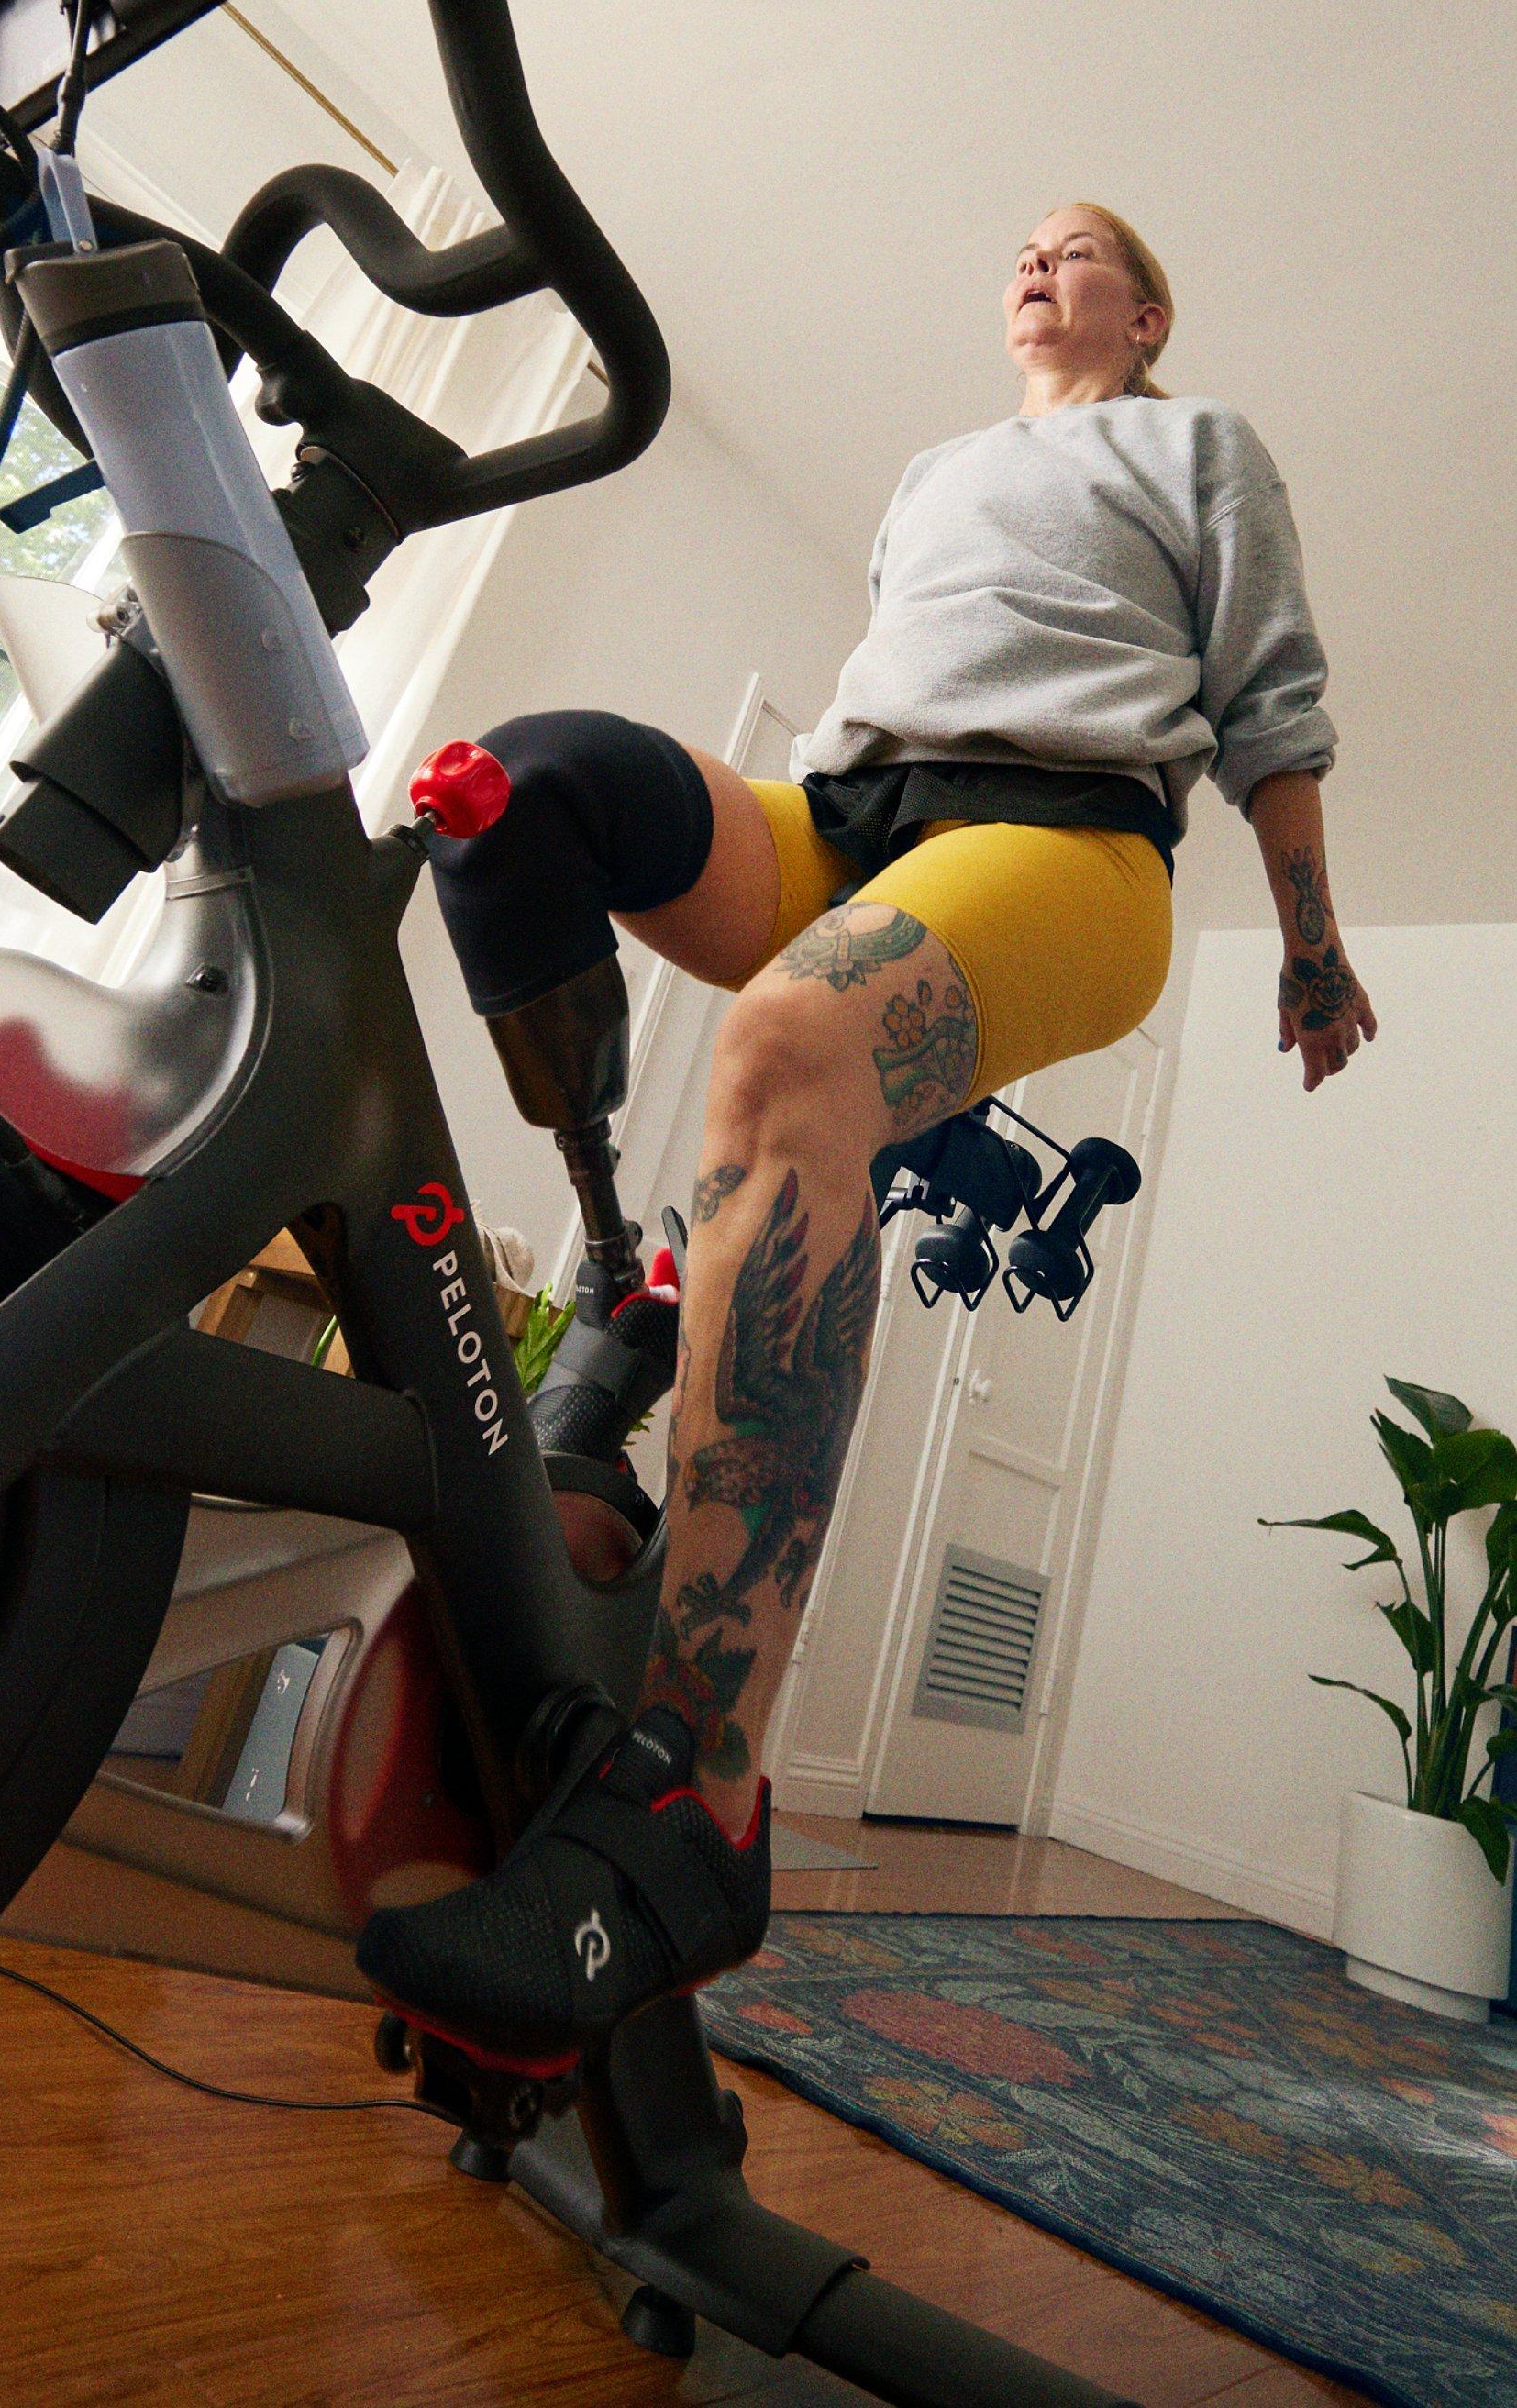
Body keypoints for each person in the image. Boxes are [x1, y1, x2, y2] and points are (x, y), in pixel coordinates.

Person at [358, 202, 1376, 2071]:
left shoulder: (1199, 446)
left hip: (1067, 841)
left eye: (1082, 250)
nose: (1038, 262)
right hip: (852, 814)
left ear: (1147, 312)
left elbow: (1271, 705)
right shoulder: (935, 472)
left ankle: (697, 1801)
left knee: (792, 1039)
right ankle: (611, 1299)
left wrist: (1311, 948)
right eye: (1026, 247)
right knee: (521, 784)